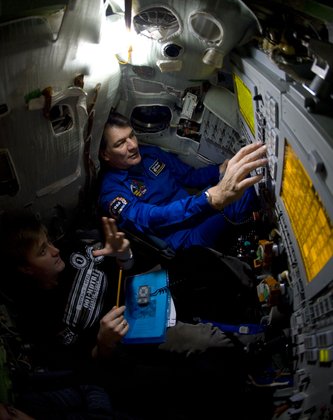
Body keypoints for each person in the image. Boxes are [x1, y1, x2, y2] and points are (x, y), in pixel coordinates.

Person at [0, 211, 268, 419]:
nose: (55, 250)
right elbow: (85, 372)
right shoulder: (38, 321)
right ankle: (260, 366)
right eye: (43, 251)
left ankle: (262, 293)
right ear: (25, 269)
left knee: (199, 258)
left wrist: (123, 255)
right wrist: (104, 343)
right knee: (207, 343)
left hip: (141, 287)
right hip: (130, 333)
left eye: (49, 242)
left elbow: (124, 263)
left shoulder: (70, 250)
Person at [98, 111, 268, 253]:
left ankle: (248, 237)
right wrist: (208, 199)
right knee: (242, 194)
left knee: (242, 178)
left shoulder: (149, 153)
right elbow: (151, 218)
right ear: (105, 154)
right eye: (120, 143)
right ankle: (248, 247)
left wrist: (219, 170)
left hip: (197, 210)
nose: (133, 145)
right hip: (183, 237)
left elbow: (188, 176)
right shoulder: (111, 192)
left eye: (132, 136)